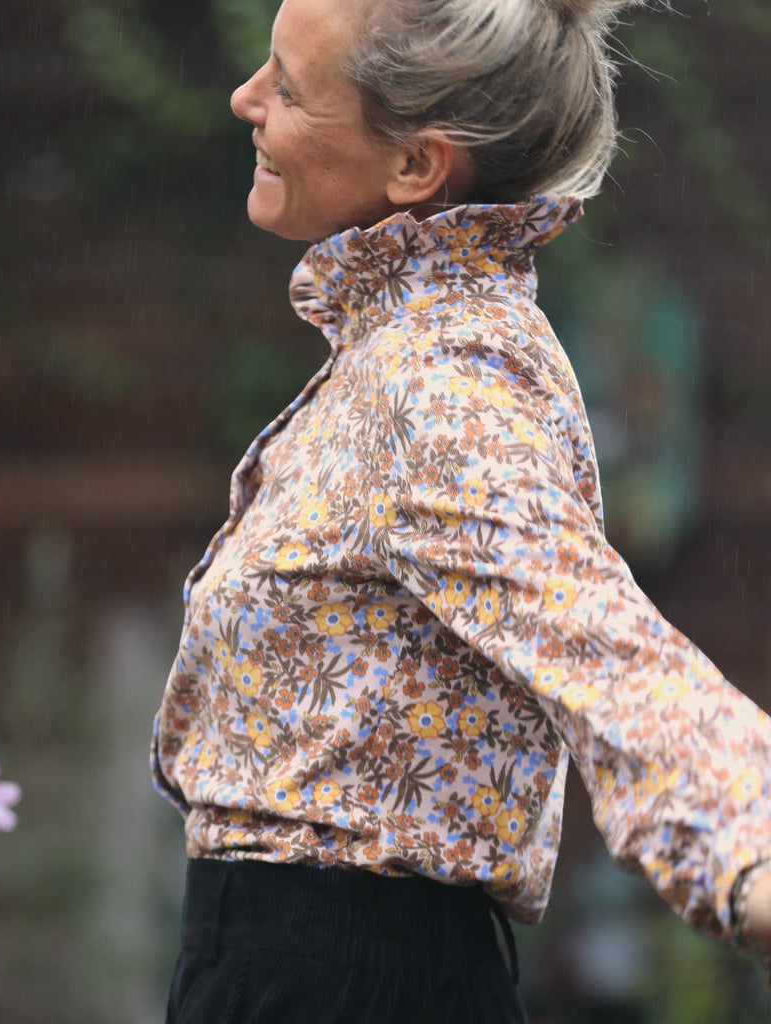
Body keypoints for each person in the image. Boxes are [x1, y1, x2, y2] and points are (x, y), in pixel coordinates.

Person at [151, 0, 771, 1020]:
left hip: (344, 987)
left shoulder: (444, 378)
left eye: (289, 86)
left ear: (415, 168)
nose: (244, 99)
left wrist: (750, 851)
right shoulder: (403, 347)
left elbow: (596, 637)